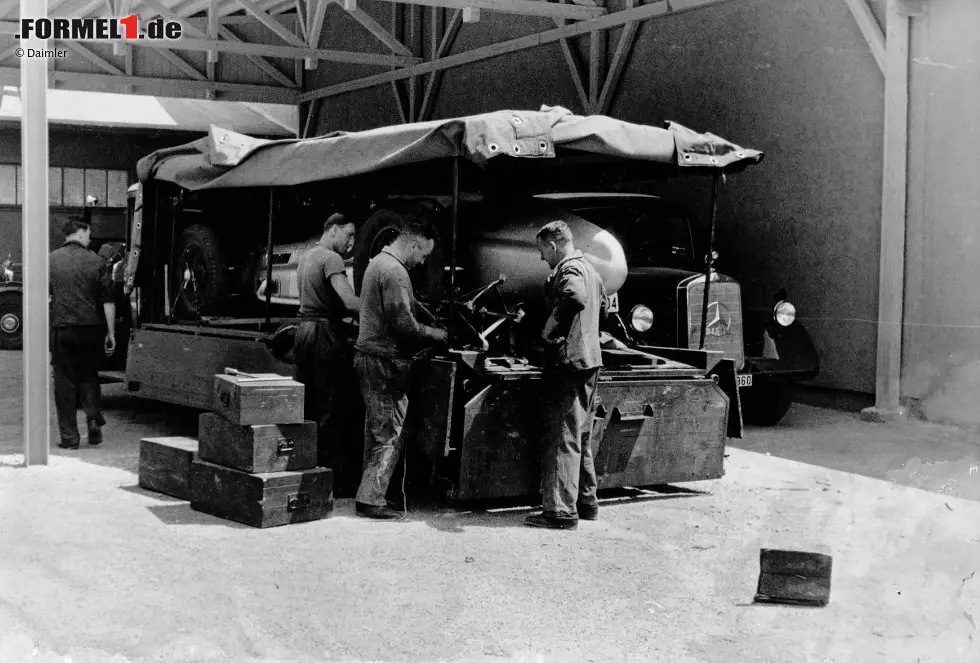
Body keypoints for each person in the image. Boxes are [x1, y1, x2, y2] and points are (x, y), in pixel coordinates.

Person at [353, 218, 448, 520]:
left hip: (370, 358)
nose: (423, 262)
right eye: (423, 255)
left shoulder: (378, 263)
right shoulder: (395, 271)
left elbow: (407, 306)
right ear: (412, 244)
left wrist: (423, 310)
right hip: (385, 362)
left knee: (376, 430)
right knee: (390, 433)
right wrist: (437, 334)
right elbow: (403, 323)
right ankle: (371, 499)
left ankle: (370, 493)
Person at [525, 220, 607, 530]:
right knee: (580, 435)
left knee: (562, 436)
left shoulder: (569, 271)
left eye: (542, 251)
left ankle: (560, 511)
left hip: (569, 364)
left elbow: (574, 297)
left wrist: (550, 329)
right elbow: (601, 308)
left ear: (552, 245)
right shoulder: (591, 269)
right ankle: (587, 502)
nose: (542, 258)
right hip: (589, 360)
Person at [292, 213, 360, 493]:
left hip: (304, 331)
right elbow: (348, 300)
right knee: (331, 409)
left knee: (307, 406)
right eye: (349, 234)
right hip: (325, 336)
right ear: (333, 231)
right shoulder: (331, 259)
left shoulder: (307, 256)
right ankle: (334, 481)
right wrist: (372, 307)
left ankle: (304, 473)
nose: (352, 242)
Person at [49, 216, 115, 449]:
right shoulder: (97, 261)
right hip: (91, 328)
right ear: (79, 233)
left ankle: (69, 438)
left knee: (64, 382)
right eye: (88, 234)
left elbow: (44, 296)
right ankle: (93, 418)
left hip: (62, 327)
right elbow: (108, 300)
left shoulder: (50, 260)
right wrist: (111, 332)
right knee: (89, 376)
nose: (90, 238)